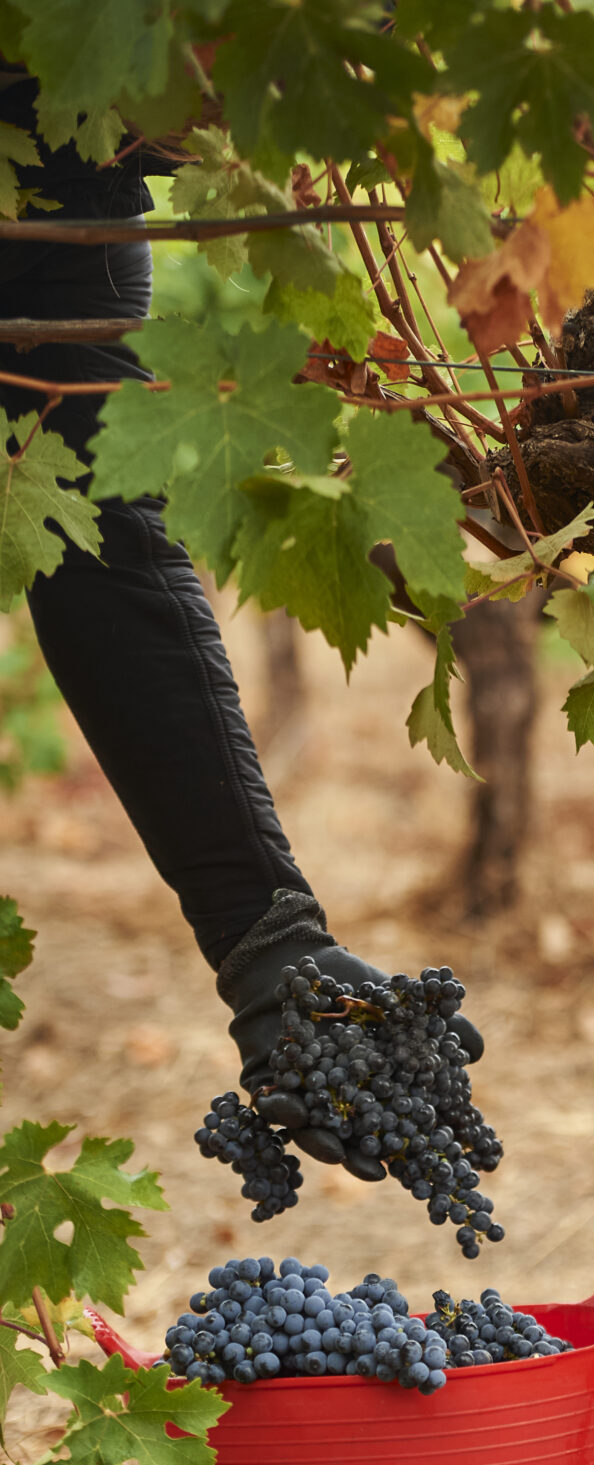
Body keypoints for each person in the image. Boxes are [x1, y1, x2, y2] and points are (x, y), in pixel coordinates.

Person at [0, 72, 480, 1177]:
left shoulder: (81, 153)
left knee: (88, 517)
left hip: (61, 145)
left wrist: (268, 936)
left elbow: (101, 553)